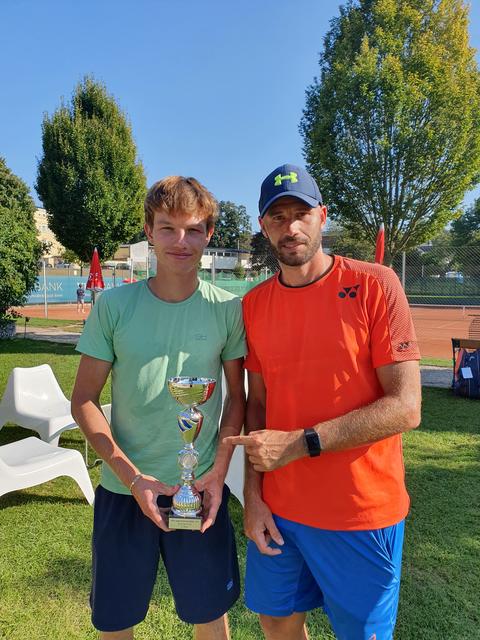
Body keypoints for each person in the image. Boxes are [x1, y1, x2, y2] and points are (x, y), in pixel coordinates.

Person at [225, 164, 422, 640]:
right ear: (263, 226)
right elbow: (257, 408)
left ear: (322, 217)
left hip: (359, 511)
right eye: (277, 217)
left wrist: (300, 443)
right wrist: (253, 496)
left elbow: (405, 406)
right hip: (280, 510)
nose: (290, 226)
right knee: (276, 622)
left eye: (301, 213)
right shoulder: (254, 304)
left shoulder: (376, 285)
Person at [71, 176, 246, 640]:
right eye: (167, 228)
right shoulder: (113, 305)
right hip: (124, 491)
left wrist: (219, 470)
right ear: (149, 231)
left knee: (210, 616)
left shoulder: (228, 310)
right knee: (116, 620)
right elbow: (83, 400)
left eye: (193, 229)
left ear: (210, 234)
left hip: (201, 489)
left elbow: (237, 400)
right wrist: (132, 476)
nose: (180, 241)